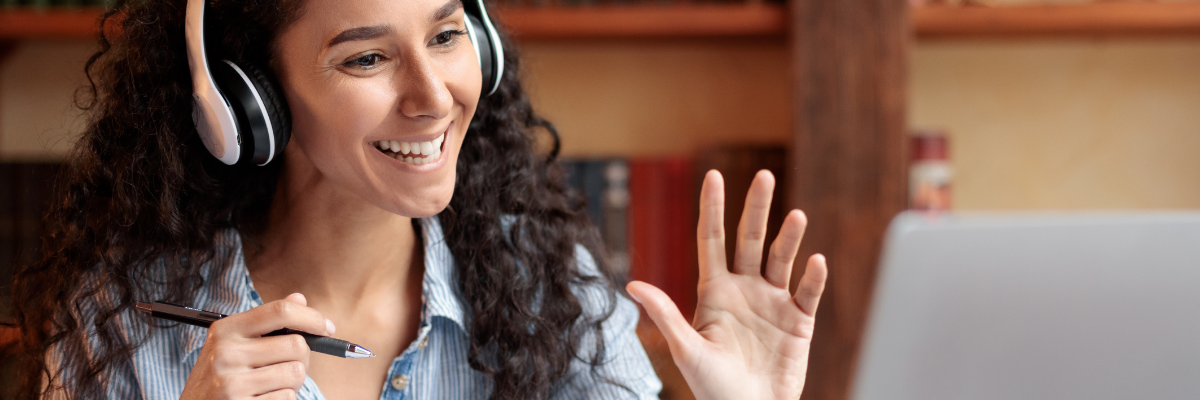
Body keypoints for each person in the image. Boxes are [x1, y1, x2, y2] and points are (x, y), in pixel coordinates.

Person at [9, 0, 828, 398]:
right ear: (248, 101)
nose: (434, 96)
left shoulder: (546, 290)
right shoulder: (123, 321)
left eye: (444, 37)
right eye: (368, 59)